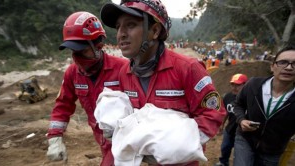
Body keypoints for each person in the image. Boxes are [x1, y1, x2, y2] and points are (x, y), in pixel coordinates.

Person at [100, 0, 226, 165]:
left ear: (155, 30)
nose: (121, 34)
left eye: (130, 25)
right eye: (118, 27)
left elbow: (213, 113)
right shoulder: (125, 73)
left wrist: (176, 147)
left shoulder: (188, 69)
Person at [46, 11, 128, 166]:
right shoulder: (72, 73)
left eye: (82, 52)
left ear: (99, 46)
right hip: (101, 139)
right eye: (74, 52)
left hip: (123, 138)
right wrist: (54, 138)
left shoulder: (122, 69)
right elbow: (63, 105)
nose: (77, 57)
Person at [233, 44, 295, 166]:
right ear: (272, 66)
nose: (289, 68)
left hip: (273, 150)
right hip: (245, 140)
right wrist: (241, 120)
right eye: (283, 62)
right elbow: (238, 104)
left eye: (294, 64)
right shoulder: (253, 85)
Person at [215, 74, 248, 166]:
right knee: (225, 147)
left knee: (239, 154)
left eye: (238, 85)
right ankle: (223, 162)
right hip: (230, 129)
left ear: (245, 85)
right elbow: (226, 111)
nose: (234, 87)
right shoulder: (228, 96)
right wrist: (222, 124)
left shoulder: (249, 98)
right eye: (233, 84)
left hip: (243, 132)